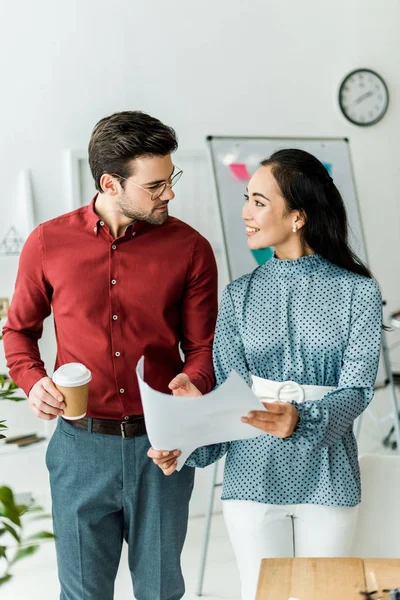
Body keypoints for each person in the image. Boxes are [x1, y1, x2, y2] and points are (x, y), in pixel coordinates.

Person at [3, 111, 218, 600]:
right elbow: (18, 331)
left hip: (161, 450)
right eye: (156, 185)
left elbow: (203, 348)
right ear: (110, 183)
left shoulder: (190, 249)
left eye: (171, 179)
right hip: (80, 449)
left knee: (161, 591)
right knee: (82, 594)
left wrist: (194, 382)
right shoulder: (47, 243)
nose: (170, 194)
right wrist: (33, 380)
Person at [149, 149, 383, 600]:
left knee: (329, 596)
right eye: (247, 198)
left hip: (328, 474)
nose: (245, 212)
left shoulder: (359, 291)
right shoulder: (239, 295)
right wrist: (188, 437)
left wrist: (301, 419)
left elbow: (356, 389)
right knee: (259, 595)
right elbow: (228, 395)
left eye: (259, 201)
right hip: (251, 475)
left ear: (298, 216)